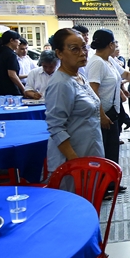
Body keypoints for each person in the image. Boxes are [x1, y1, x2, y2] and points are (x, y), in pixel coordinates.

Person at [87, 29, 130, 165]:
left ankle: (112, 181)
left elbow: (126, 75)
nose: (116, 46)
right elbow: (93, 91)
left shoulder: (109, 60)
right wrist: (102, 115)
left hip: (112, 112)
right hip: (103, 114)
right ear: (110, 45)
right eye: (115, 43)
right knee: (103, 150)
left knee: (112, 149)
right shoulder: (97, 62)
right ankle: (103, 183)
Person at [44, 28, 103, 176]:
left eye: (83, 47)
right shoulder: (61, 83)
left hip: (89, 152)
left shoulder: (79, 76)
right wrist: (74, 161)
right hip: (72, 163)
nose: (82, 53)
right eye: (74, 49)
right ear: (59, 53)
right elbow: (56, 127)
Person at [0, 30, 25, 96]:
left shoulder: (0, 52)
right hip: (10, 89)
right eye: (18, 40)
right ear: (11, 40)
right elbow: (12, 75)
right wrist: (23, 89)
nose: (19, 42)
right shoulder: (11, 54)